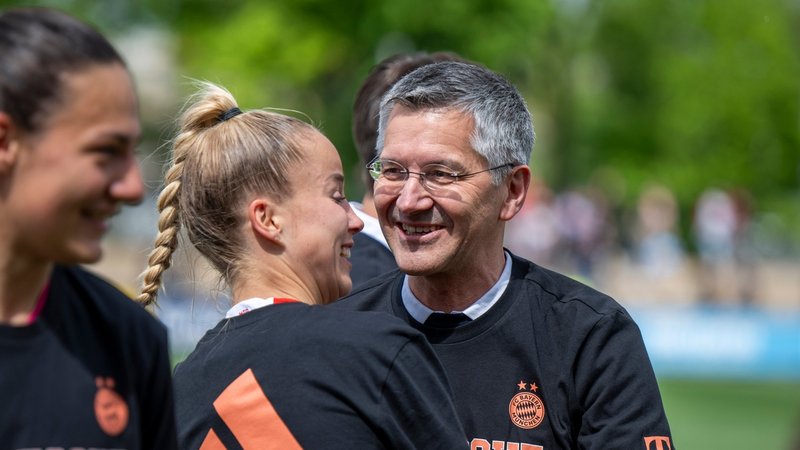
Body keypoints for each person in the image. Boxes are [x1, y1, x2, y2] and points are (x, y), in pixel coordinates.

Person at [335, 61, 674, 449]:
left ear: (513, 191)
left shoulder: (590, 338)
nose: (408, 201)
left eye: (441, 174)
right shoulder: (338, 329)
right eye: (393, 171)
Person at [137, 82, 468, 449]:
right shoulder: (374, 350)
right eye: (337, 196)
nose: (356, 220)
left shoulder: (177, 396)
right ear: (268, 220)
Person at [0, 7, 177, 448]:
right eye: (105, 152)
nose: (134, 188)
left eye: (132, 152)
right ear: (5, 142)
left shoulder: (129, 339)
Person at [349, 51, 464, 288]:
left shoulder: (322, 263)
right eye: (440, 173)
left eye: (439, 173)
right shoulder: (382, 289)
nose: (411, 201)